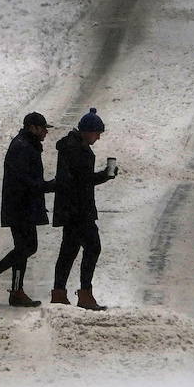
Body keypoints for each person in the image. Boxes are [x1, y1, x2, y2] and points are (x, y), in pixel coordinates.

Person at [0, 111, 56, 307]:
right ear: (33, 128)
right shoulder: (22, 147)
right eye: (43, 128)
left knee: (24, 248)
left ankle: (16, 291)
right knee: (27, 247)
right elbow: (24, 180)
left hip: (22, 205)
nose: (46, 132)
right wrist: (48, 186)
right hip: (21, 207)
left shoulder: (26, 144)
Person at [50, 107, 117, 311]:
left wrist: (102, 176)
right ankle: (85, 294)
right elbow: (82, 181)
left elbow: (79, 180)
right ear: (87, 131)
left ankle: (59, 293)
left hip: (71, 208)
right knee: (93, 247)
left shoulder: (72, 146)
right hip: (78, 210)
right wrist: (104, 175)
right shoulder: (76, 149)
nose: (98, 137)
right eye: (97, 133)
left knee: (68, 250)